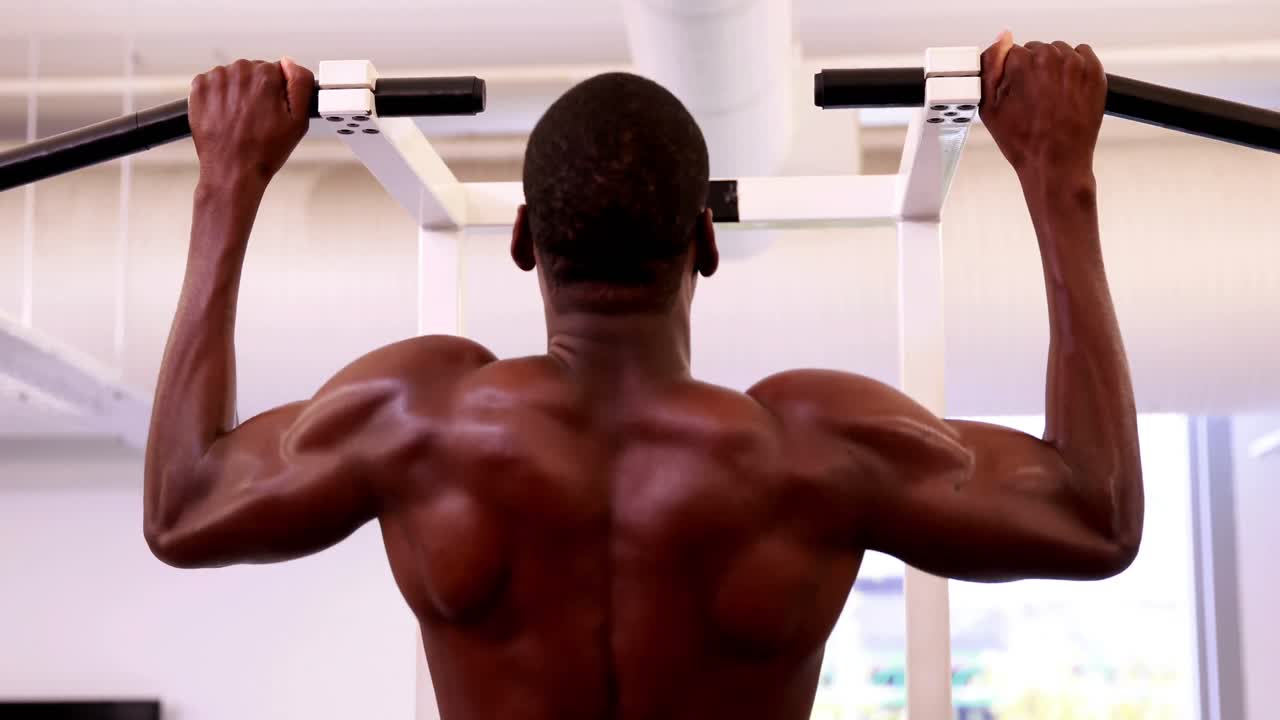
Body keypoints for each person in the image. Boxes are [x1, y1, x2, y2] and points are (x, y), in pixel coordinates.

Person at [145, 32, 1143, 719]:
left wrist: (229, 181)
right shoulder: (815, 450)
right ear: (704, 242)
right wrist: (1057, 176)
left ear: (525, 240)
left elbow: (183, 508)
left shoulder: (419, 421)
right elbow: (1091, 518)